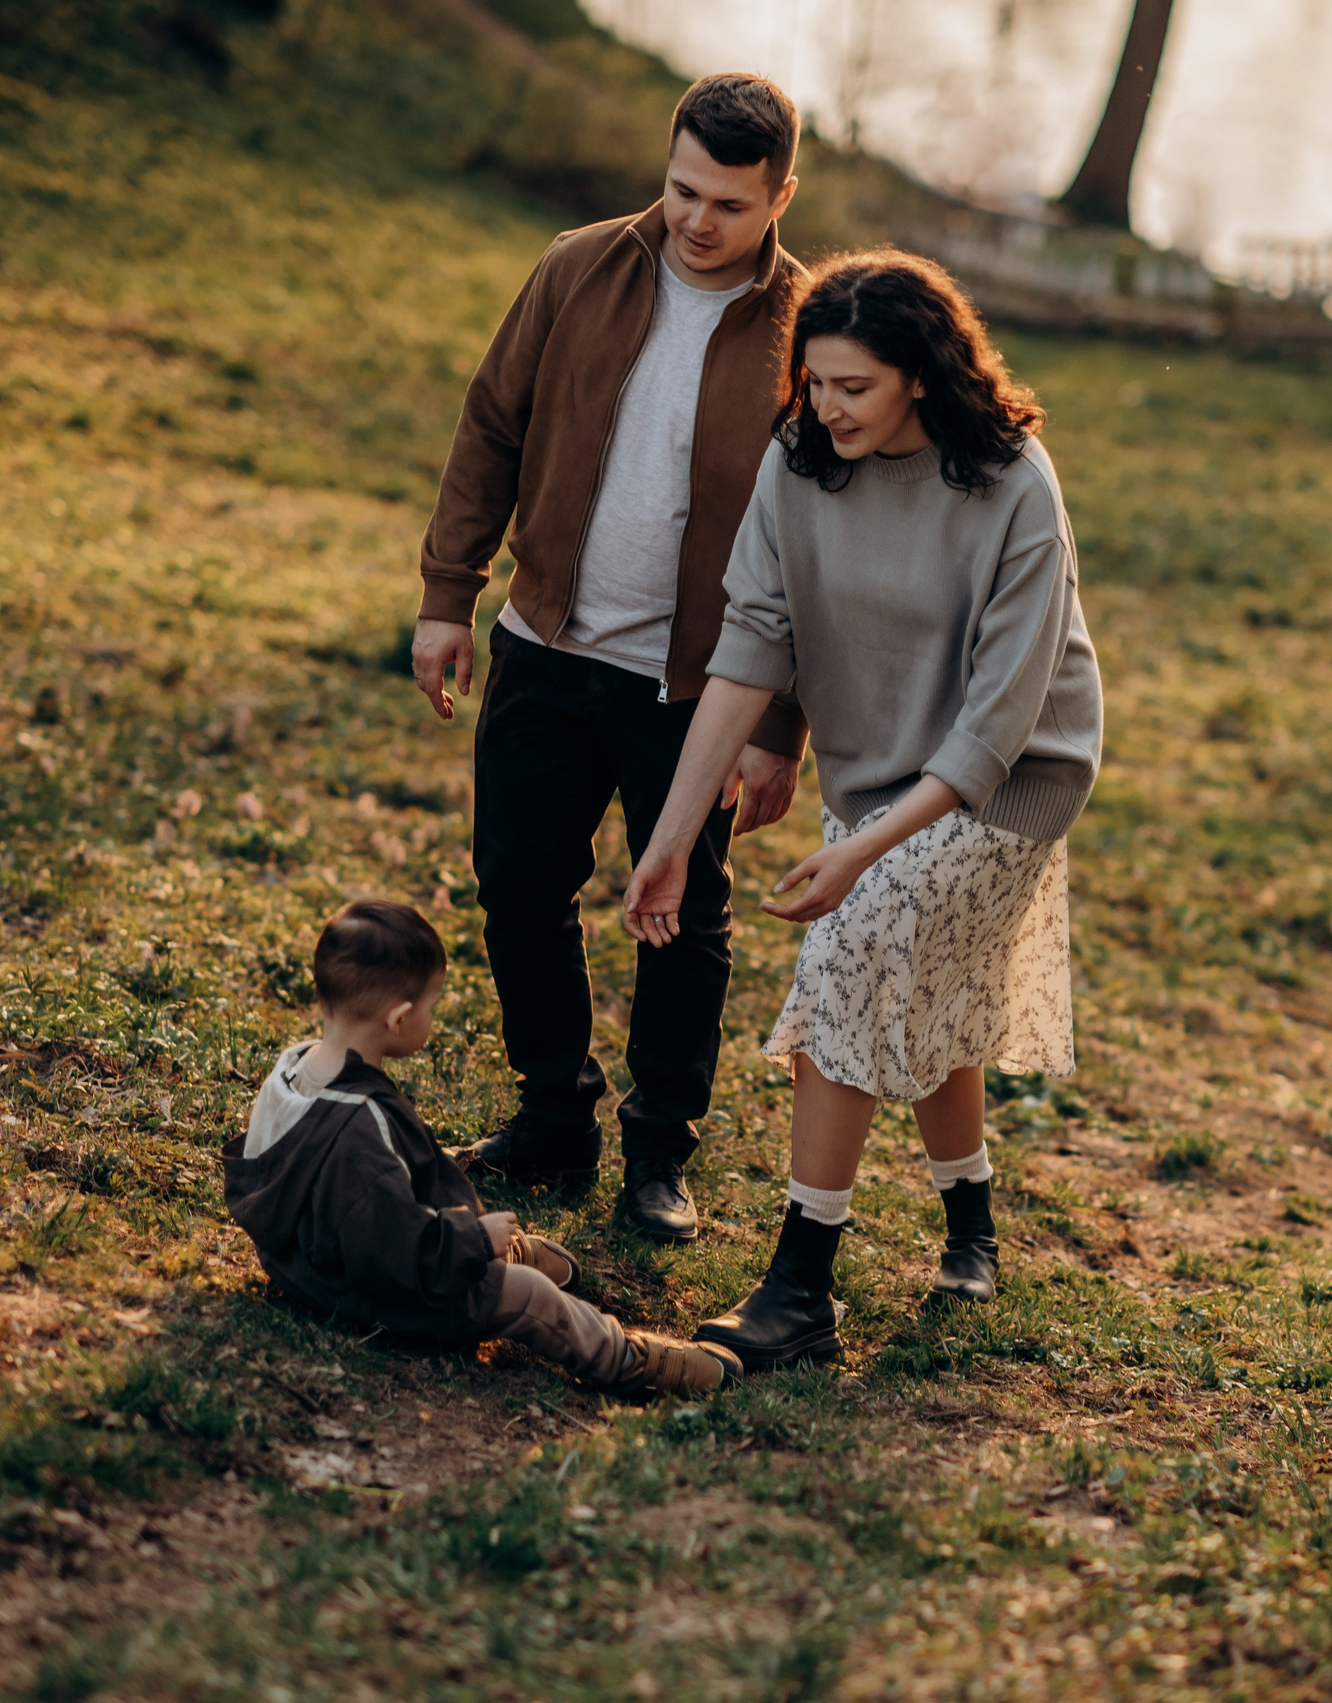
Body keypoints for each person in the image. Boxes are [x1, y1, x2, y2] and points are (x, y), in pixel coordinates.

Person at [622, 252, 1103, 1370]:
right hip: (875, 766)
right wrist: (670, 838)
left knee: (864, 942)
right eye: (815, 381)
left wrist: (862, 858)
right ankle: (971, 1222)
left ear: (920, 378)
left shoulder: (1011, 481)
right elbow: (748, 648)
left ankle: (801, 1284)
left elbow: (992, 725)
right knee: (919, 972)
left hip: (1013, 773)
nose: (824, 406)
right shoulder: (799, 467)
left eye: (852, 386)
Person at [410, 73, 813, 1244]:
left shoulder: (808, 325)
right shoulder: (575, 266)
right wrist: (449, 593)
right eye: (682, 189)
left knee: (684, 919)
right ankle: (552, 1112)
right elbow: (491, 422)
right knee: (517, 885)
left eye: (729, 205)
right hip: (543, 646)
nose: (696, 220)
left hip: (696, 688)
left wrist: (781, 729)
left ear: (780, 194)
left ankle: (658, 1150)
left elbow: (815, 540)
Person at [221, 900, 740, 1397]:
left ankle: (500, 1253)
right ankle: (625, 1361)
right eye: (431, 1005)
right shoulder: (363, 1130)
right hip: (357, 1287)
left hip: (297, 1257)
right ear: (399, 1019)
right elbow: (396, 1253)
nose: (432, 1016)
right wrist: (469, 1240)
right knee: (534, 1298)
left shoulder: (294, 1067)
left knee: (490, 1250)